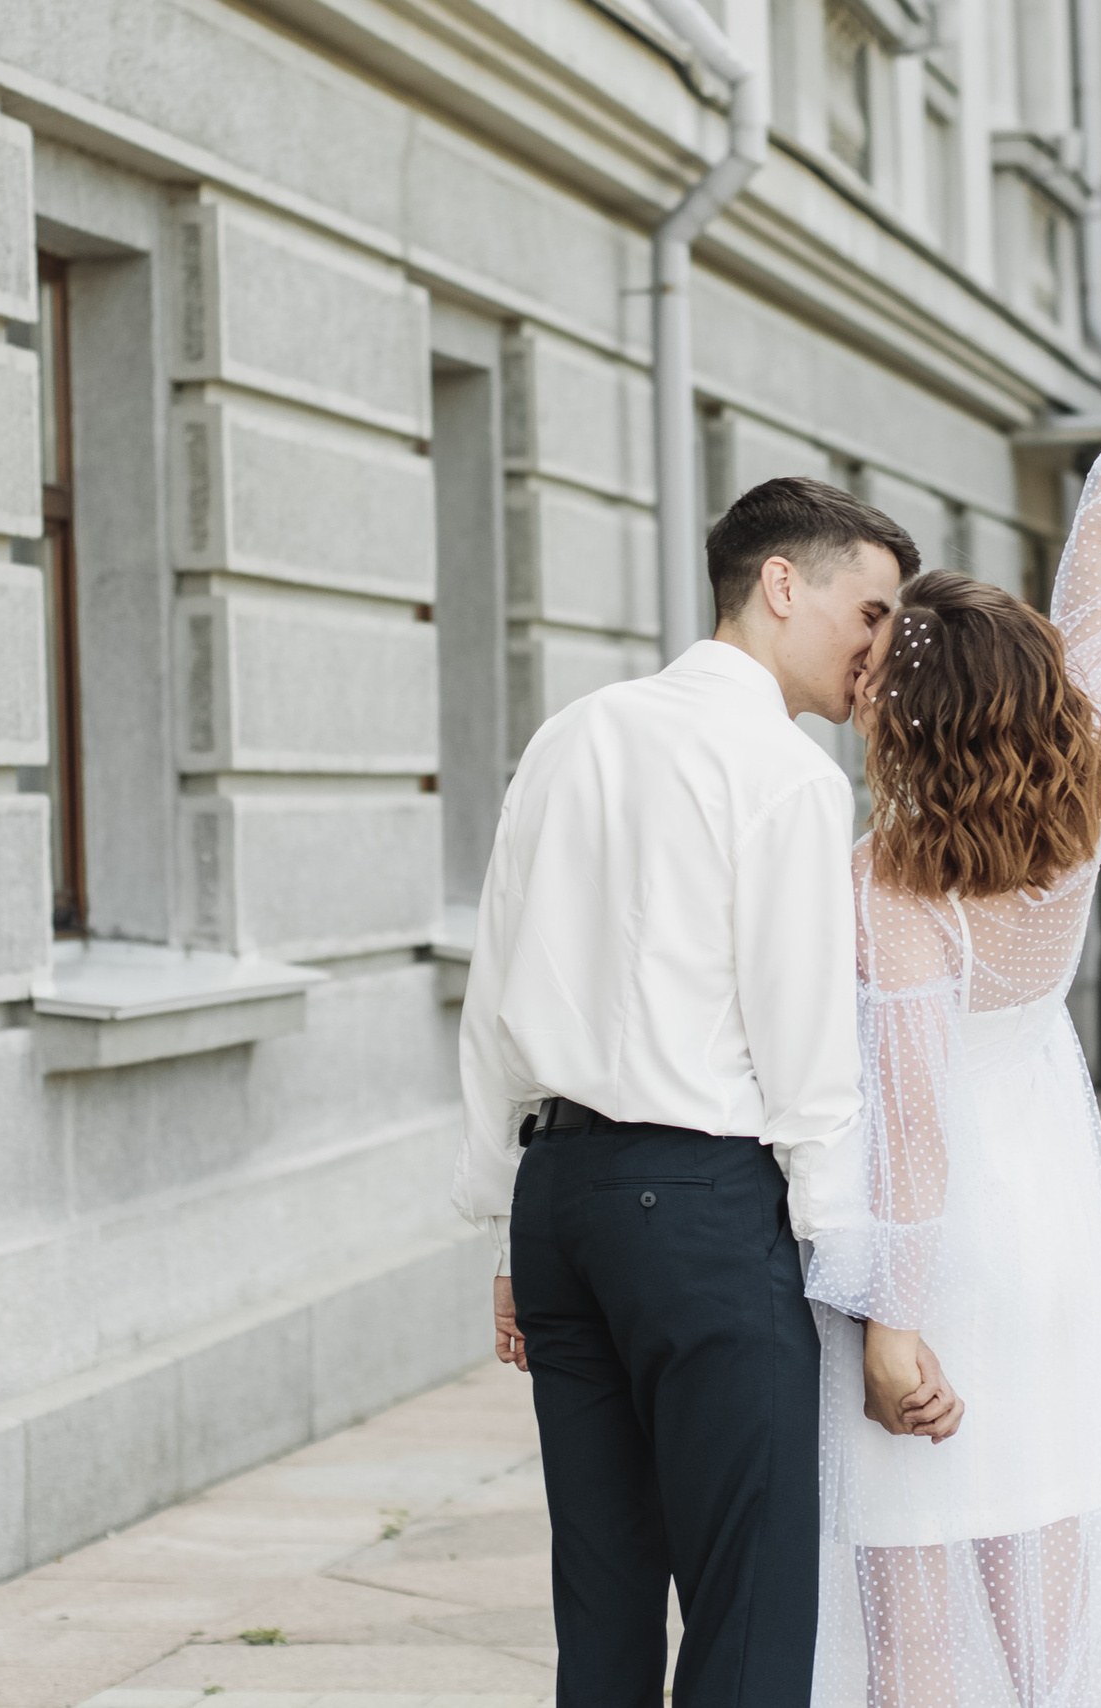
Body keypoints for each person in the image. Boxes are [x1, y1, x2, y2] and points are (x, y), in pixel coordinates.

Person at [803, 281, 1101, 1704]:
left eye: (874, 673)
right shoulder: (1085, 797)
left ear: (908, 716)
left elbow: (907, 1113)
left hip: (942, 1253)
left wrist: (889, 1323)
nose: (858, 689)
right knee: (1056, 1560)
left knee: (911, 1588)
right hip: (1056, 1227)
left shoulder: (888, 874)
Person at [452, 478, 920, 1706]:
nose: (878, 649)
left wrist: (510, 1223)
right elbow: (808, 1064)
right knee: (751, 1606)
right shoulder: (787, 776)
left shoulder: (572, 733)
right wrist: (861, 1286)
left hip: (562, 1203)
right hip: (702, 1209)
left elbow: (493, 992)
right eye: (867, 612)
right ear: (781, 585)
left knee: (601, 1609)